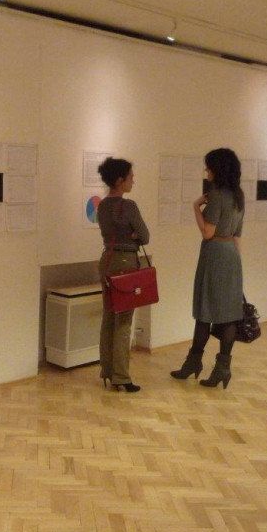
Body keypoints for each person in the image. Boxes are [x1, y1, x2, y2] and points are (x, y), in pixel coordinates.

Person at [171, 148, 245, 389]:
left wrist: (195, 207)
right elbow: (238, 235)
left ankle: (193, 362)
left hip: (215, 254)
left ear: (217, 169)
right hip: (231, 256)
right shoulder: (238, 196)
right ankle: (222, 368)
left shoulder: (215, 196)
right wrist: (236, 266)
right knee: (228, 314)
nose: (206, 171)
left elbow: (207, 232)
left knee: (205, 311)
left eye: (209, 167)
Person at [96, 157, 149, 393]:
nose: (133, 181)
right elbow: (145, 236)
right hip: (126, 261)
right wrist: (133, 236)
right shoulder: (129, 206)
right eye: (130, 177)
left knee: (109, 317)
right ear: (120, 180)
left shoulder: (102, 205)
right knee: (124, 321)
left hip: (106, 260)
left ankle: (107, 371)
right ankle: (121, 376)